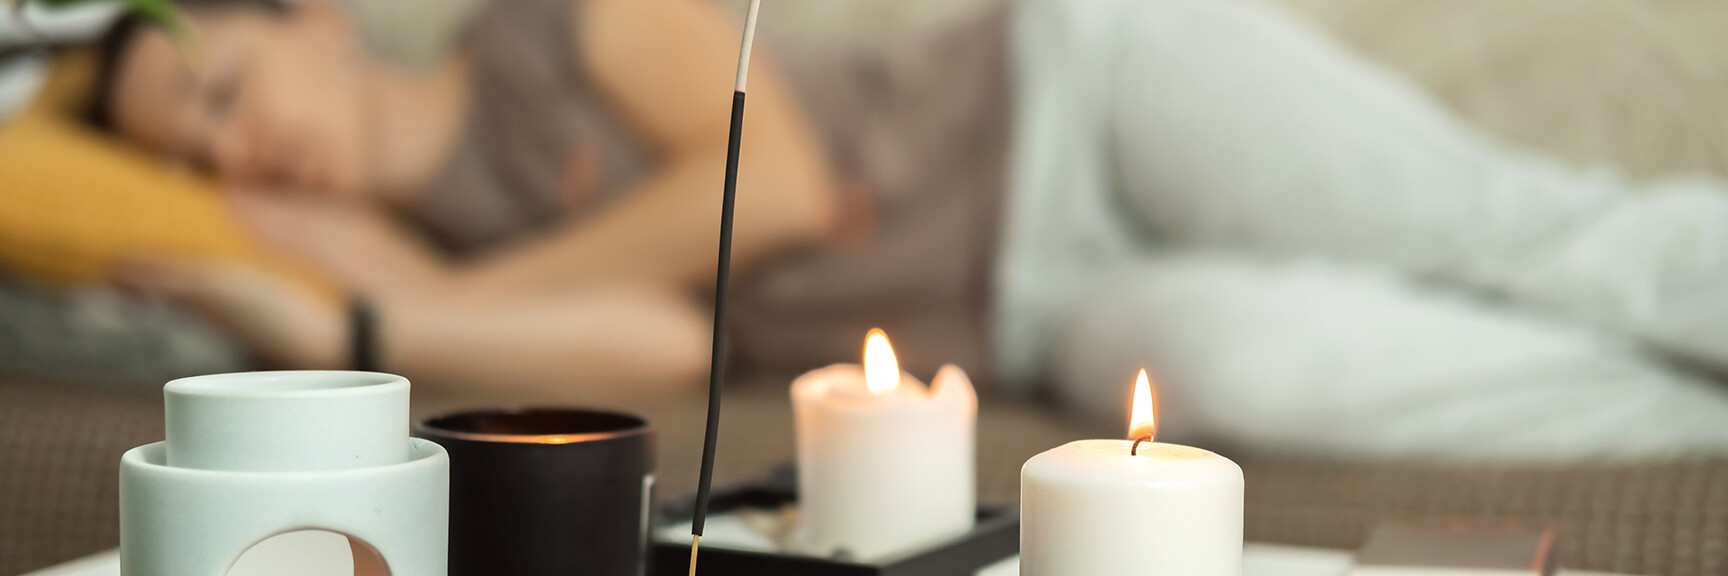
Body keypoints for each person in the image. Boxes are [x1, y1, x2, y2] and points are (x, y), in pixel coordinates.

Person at [94, 0, 1728, 460]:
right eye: (210, 156)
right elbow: (668, 346)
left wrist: (460, 293)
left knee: (1522, 235)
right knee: (1255, 369)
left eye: (226, 85)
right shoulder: (389, 250)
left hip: (1074, 94)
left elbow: (775, 190)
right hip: (1022, 323)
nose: (255, 148)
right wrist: (363, 331)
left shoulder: (549, 26)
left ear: (308, 19)